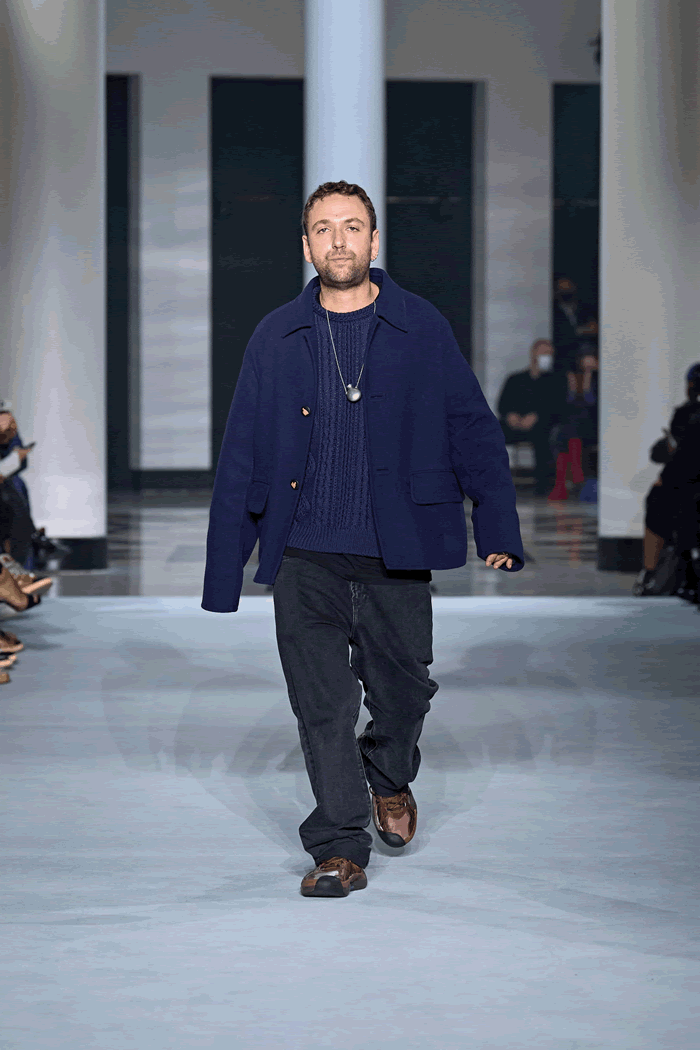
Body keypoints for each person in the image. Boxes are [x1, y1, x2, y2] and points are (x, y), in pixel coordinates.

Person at [202, 180, 524, 898]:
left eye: (353, 226)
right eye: (324, 228)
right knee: (322, 705)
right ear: (306, 245)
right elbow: (242, 452)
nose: (339, 240)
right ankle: (339, 846)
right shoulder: (276, 336)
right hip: (305, 552)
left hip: (396, 550)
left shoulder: (420, 326)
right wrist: (225, 569)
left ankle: (389, 773)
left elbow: (472, 427)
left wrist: (496, 524)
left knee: (405, 691)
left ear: (374, 241)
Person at [634, 363, 700, 595]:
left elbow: (680, 457)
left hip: (683, 487)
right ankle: (652, 572)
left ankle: (649, 572)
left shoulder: (685, 414)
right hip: (685, 485)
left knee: (658, 500)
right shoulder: (685, 414)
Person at [497, 338, 564, 495]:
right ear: (533, 353)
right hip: (514, 425)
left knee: (544, 435)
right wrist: (510, 415)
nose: (546, 357)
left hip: (540, 426)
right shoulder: (515, 379)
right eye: (543, 353)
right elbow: (502, 405)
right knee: (490, 432)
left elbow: (557, 407)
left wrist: (536, 416)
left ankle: (542, 485)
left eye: (549, 354)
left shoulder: (555, 381)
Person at [552, 276, 598, 373]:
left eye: (568, 288)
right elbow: (561, 335)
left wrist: (575, 331)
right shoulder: (553, 312)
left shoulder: (585, 309)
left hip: (588, 355)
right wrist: (581, 330)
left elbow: (594, 328)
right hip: (563, 358)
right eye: (562, 289)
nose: (565, 292)